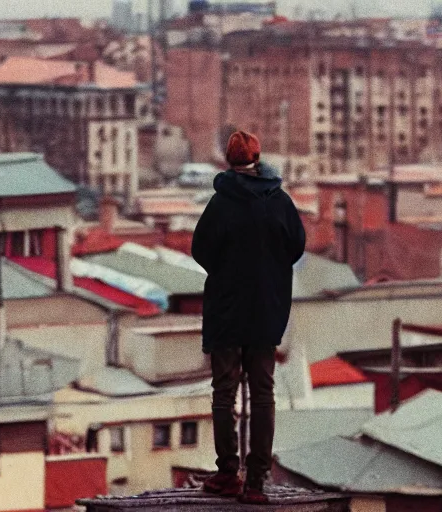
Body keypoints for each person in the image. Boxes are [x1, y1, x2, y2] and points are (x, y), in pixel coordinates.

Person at [191, 131, 306, 504]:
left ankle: (227, 474)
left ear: (228, 161)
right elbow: (296, 246)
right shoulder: (280, 203)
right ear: (259, 158)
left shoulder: (220, 205)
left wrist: (228, 273)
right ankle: (256, 481)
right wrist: (268, 275)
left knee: (224, 393)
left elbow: (201, 251)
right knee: (263, 394)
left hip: (227, 310)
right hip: (265, 310)